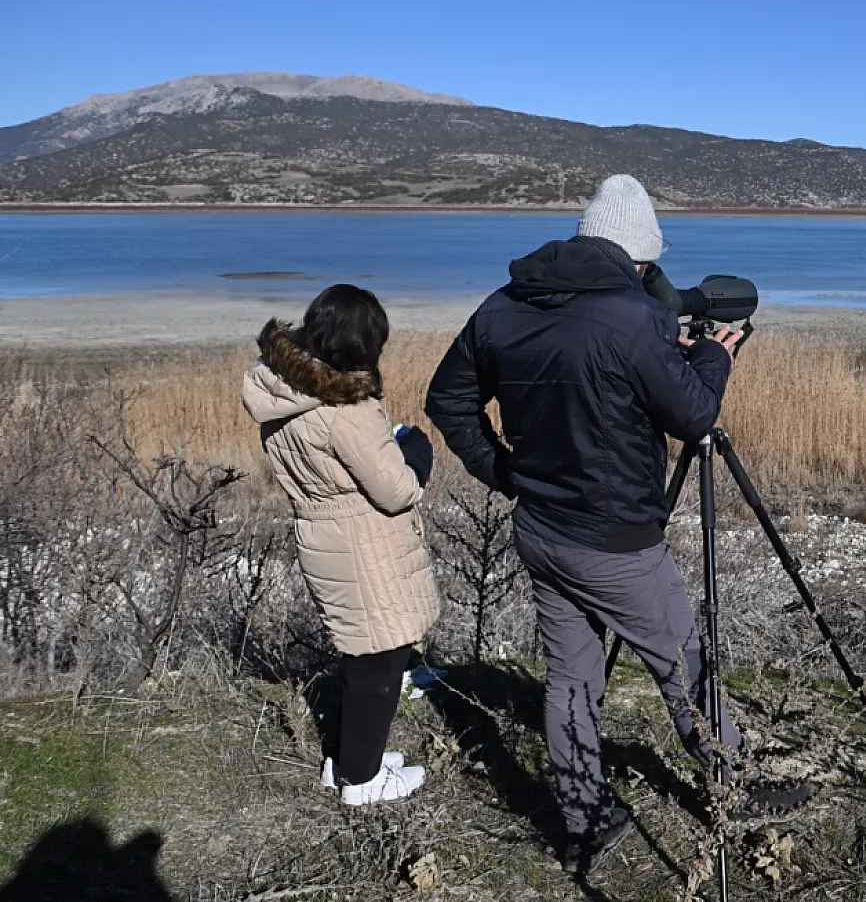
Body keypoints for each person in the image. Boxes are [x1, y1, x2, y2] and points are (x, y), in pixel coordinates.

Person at [426, 175, 806, 875]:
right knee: (682, 663)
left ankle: (587, 818)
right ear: (636, 258)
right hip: (617, 543)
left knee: (571, 679)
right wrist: (716, 354)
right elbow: (692, 416)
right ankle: (739, 789)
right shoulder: (633, 319)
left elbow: (446, 401)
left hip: (541, 529)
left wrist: (506, 473)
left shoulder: (504, 304)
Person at [242, 284, 439, 806]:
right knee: (378, 660)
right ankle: (359, 778)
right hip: (364, 541)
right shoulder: (345, 409)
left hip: (321, 532)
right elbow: (395, 490)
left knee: (364, 652)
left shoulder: (281, 391)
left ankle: (354, 759)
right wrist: (416, 448)